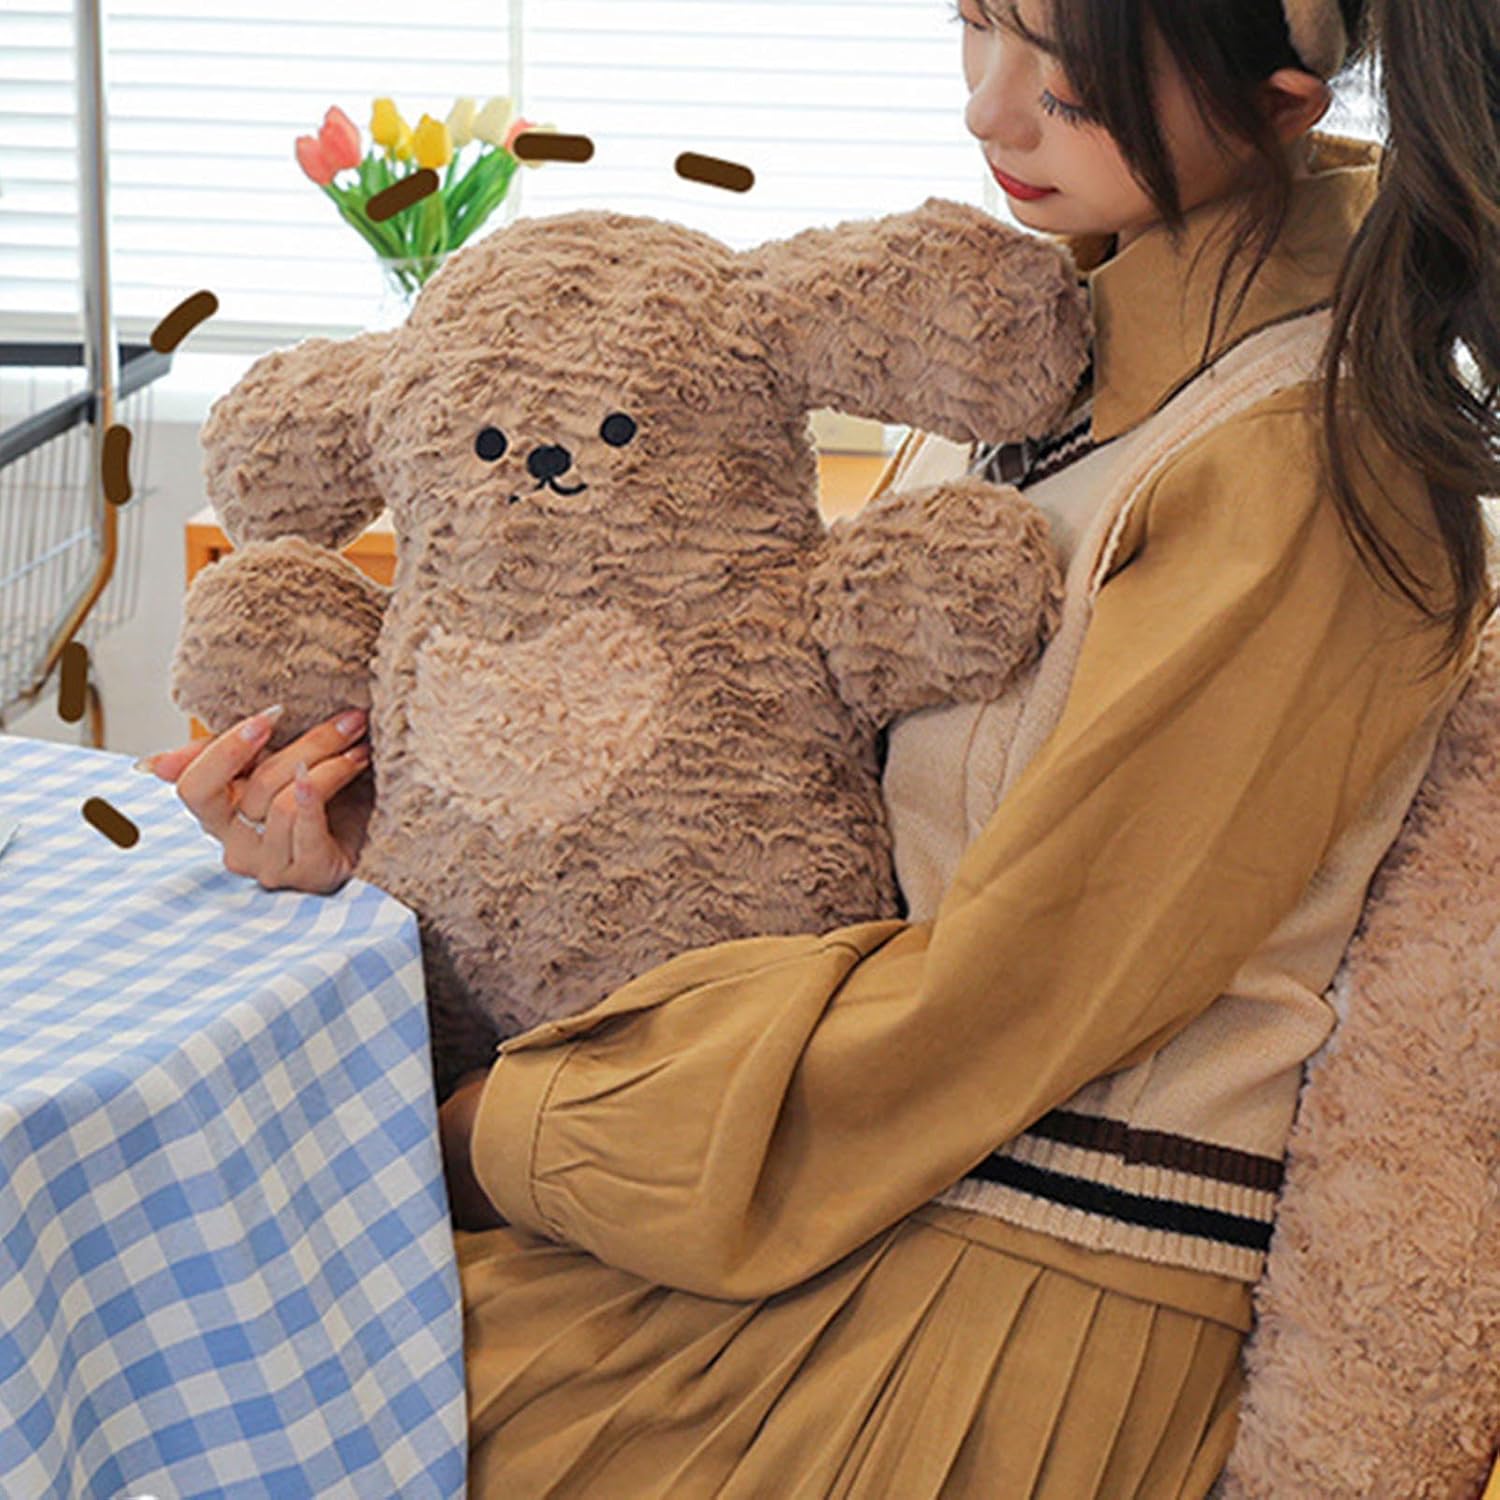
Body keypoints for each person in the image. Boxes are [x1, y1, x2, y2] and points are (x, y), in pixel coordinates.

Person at [142, 0, 1497, 1493]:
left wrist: (511, 1127)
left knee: (223, 1387)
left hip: (997, 1279)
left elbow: (1018, 991)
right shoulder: (1052, 358)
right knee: (182, 1311)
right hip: (820, 1190)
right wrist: (384, 828)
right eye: (977, 22)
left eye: (1069, 77)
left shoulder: (1296, 469)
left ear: (1287, 99)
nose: (990, 109)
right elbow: (809, 816)